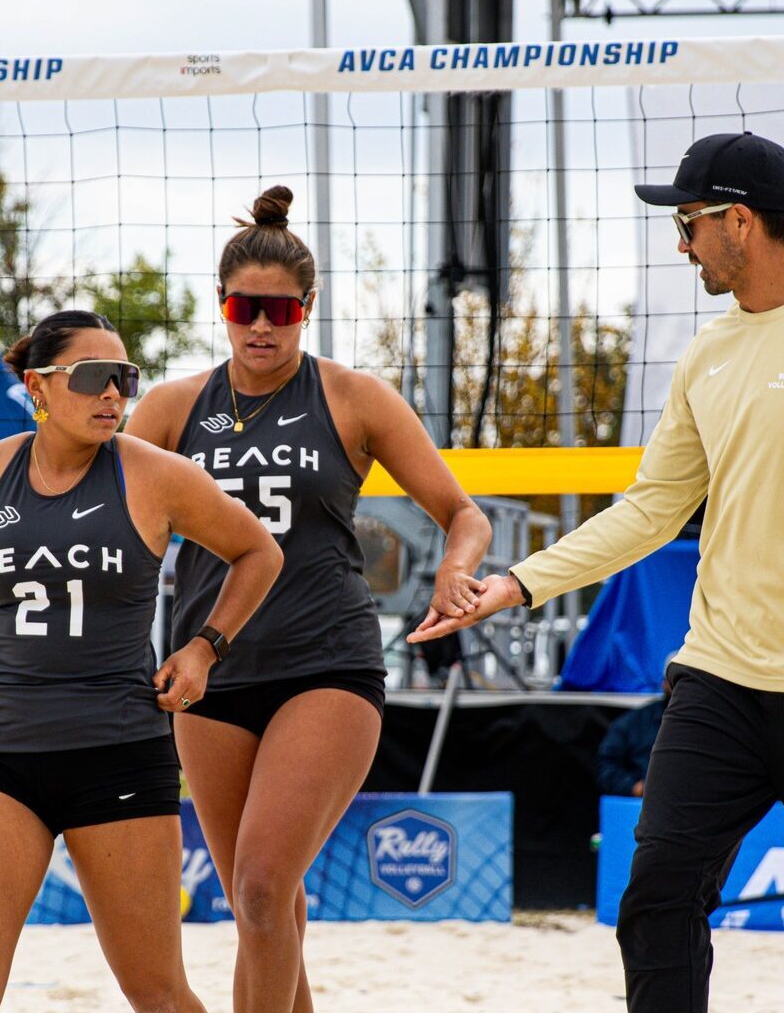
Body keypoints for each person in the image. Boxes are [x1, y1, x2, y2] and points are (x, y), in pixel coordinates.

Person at [410, 131, 784, 1013]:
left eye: (688, 222)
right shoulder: (706, 355)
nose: (680, 243)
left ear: (741, 223)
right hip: (721, 677)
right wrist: (518, 584)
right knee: (655, 903)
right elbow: (649, 509)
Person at [124, 185, 492, 1013]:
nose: (261, 325)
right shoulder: (175, 407)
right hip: (208, 670)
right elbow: (103, 510)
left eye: (280, 311)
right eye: (244, 307)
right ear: (219, 306)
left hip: (326, 665)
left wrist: (454, 567)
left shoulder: (352, 398)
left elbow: (462, 513)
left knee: (260, 886)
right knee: (266, 905)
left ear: (309, 308)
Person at [0, 310, 283, 1013]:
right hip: (2, 751)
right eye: (93, 378)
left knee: (156, 993)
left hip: (117, 753)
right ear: (38, 387)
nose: (114, 394)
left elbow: (260, 551)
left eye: (125, 378)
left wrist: (205, 646)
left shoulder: (156, 476)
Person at [595, 679, 669, 797]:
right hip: (644, 805)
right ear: (665, 683)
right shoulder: (634, 722)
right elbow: (606, 765)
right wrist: (635, 787)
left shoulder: (705, 723)